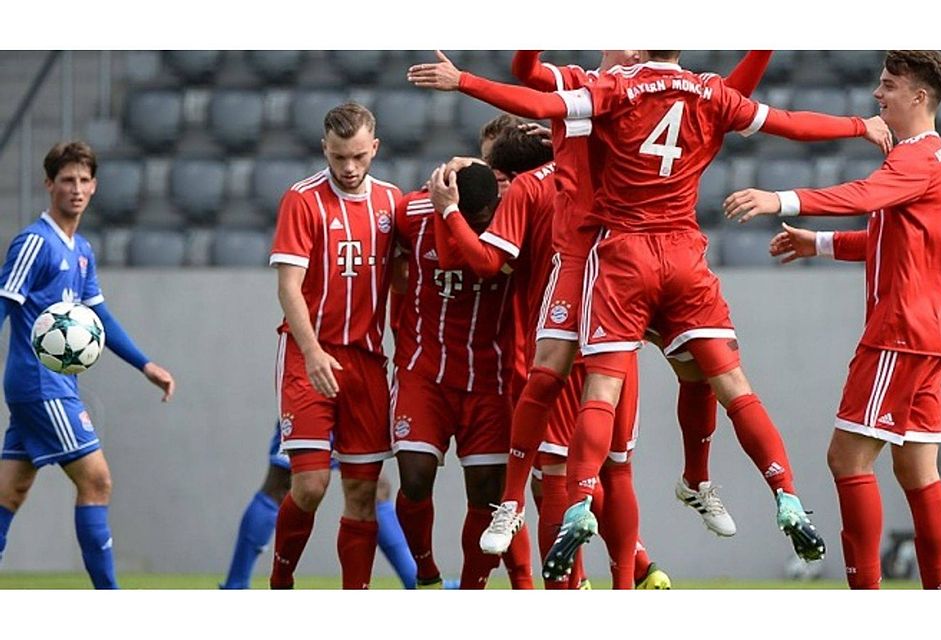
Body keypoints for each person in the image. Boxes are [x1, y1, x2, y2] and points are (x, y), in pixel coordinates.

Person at [408, 49, 893, 578]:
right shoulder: (657, 88)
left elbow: (532, 93)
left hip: (618, 261)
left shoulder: (608, 91)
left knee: (623, 422)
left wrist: (463, 83)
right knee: (682, 382)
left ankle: (643, 503)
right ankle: (762, 491)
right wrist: (852, 121)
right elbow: (778, 117)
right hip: (640, 258)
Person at [725, 50, 941, 590]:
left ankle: (866, 594)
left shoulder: (915, 158)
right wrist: (820, 243)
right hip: (931, 331)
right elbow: (900, 241)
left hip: (898, 331)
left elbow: (863, 195)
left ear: (917, 97)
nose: (878, 95)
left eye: (888, 85)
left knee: (847, 459)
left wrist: (779, 198)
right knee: (917, 472)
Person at [432, 124, 669, 589]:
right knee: (613, 469)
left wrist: (449, 212)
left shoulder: (527, 192)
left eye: (492, 170)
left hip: (559, 345)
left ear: (508, 169)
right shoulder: (613, 174)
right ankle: (632, 574)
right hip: (616, 340)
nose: (489, 179)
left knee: (556, 476)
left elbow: (482, 262)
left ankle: (565, 588)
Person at [0, 141, 176, 589]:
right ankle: (109, 603)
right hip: (42, 383)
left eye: (83, 181)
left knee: (10, 492)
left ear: (94, 187)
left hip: (52, 386)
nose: (75, 189)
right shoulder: (33, 243)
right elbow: (3, 304)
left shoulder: (81, 250)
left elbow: (100, 316)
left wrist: (144, 364)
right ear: (49, 185)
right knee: (97, 480)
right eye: (66, 180)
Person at [268, 102, 400, 590]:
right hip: (310, 357)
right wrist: (313, 350)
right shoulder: (301, 200)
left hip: (366, 361)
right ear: (325, 148)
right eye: (339, 156)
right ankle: (281, 581)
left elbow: (405, 280)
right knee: (310, 484)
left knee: (363, 493)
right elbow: (288, 287)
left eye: (359, 157)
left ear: (375, 149)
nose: (348, 168)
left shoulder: (391, 203)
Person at [390, 161, 535, 589]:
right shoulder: (410, 214)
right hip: (423, 370)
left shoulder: (514, 221)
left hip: (488, 378)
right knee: (414, 479)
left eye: (482, 220)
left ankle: (471, 592)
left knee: (489, 497)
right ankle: (427, 573)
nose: (476, 229)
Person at [220, 423, 449, 589]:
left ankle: (414, 580)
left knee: (374, 487)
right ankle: (236, 585)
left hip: (352, 383)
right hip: (313, 384)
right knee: (284, 483)